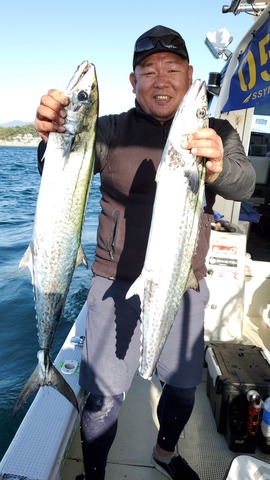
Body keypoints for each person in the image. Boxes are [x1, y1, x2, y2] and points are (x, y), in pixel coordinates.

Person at [35, 25, 256, 480]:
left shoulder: (212, 133)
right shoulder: (111, 129)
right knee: (103, 394)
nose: (161, 79)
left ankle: (165, 454)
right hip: (112, 279)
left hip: (182, 281)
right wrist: (53, 135)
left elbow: (243, 181)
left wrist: (216, 165)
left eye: (172, 69)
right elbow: (62, 166)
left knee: (180, 387)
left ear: (190, 75)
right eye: (148, 70)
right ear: (132, 81)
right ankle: (94, 473)